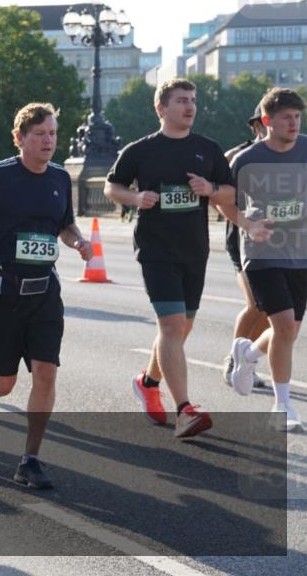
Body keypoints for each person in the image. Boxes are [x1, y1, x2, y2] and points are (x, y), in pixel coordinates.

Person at [0, 103, 92, 490]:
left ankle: (30, 459)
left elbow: (64, 225)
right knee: (4, 382)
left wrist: (77, 240)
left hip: (44, 293)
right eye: (40, 134)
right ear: (20, 138)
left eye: (53, 134)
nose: (49, 141)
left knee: (46, 374)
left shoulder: (61, 177)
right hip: (0, 295)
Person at [105, 79, 235, 439]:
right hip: (156, 249)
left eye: (193, 101)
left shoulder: (208, 150)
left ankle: (148, 382)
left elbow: (229, 191)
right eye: (181, 101)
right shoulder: (141, 150)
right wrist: (135, 198)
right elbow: (111, 186)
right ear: (161, 108)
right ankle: (185, 410)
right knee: (173, 327)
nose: (189, 107)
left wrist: (210, 190)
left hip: (195, 249)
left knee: (183, 327)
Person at [222, 88, 306, 430]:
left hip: (301, 253)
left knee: (288, 331)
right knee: (284, 326)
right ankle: (282, 406)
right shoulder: (246, 159)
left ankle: (249, 355)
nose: (293, 123)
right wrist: (249, 224)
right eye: (286, 117)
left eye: (297, 117)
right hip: (262, 252)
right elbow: (224, 202)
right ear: (267, 121)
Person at [221, 106, 270, 389]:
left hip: (280, 243)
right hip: (242, 239)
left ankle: (246, 361)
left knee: (270, 309)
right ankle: (233, 361)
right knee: (256, 302)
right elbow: (222, 195)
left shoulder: (290, 155)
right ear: (257, 125)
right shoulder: (239, 156)